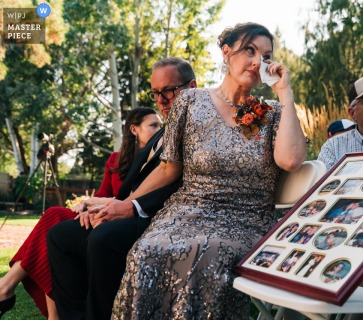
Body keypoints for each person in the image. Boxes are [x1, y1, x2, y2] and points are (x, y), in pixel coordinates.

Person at [110, 22, 306, 319]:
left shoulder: (274, 113)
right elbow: (168, 169)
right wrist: (125, 204)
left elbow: (291, 161)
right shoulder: (190, 101)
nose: (257, 62)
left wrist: (285, 93)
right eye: (249, 51)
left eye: (265, 56)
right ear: (227, 53)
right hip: (185, 213)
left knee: (206, 255)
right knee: (146, 252)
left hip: (245, 219)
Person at [47, 58, 196, 320]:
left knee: (103, 238)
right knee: (61, 235)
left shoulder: (197, 128)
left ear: (192, 86)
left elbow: (180, 184)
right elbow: (129, 189)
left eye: (169, 91)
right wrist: (102, 206)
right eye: (156, 93)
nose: (161, 100)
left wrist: (130, 207)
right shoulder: (160, 135)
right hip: (128, 208)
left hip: (158, 217)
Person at [0, 107, 161, 319]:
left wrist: (98, 205)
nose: (161, 129)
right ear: (134, 129)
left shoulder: (158, 162)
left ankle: (6, 289)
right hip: (96, 218)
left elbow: (129, 203)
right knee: (54, 221)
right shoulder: (115, 160)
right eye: (154, 125)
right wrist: (85, 206)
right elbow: (101, 194)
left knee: (53, 217)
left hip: (120, 223)